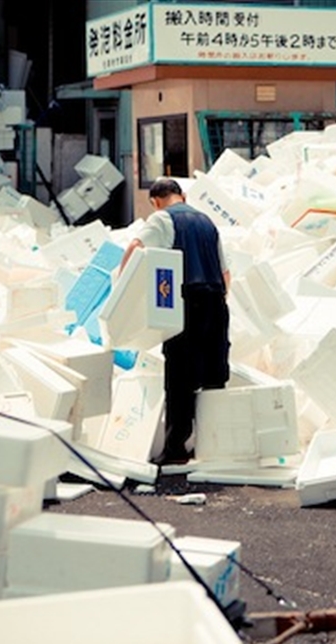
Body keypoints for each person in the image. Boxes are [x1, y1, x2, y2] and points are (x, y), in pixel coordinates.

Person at [120, 178, 231, 465]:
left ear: (156, 201)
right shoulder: (208, 222)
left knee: (179, 377)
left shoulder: (162, 219)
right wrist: (218, 304)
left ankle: (176, 449)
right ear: (183, 195)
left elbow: (135, 247)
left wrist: (121, 289)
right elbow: (225, 272)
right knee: (214, 376)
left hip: (186, 303)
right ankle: (213, 446)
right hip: (216, 302)